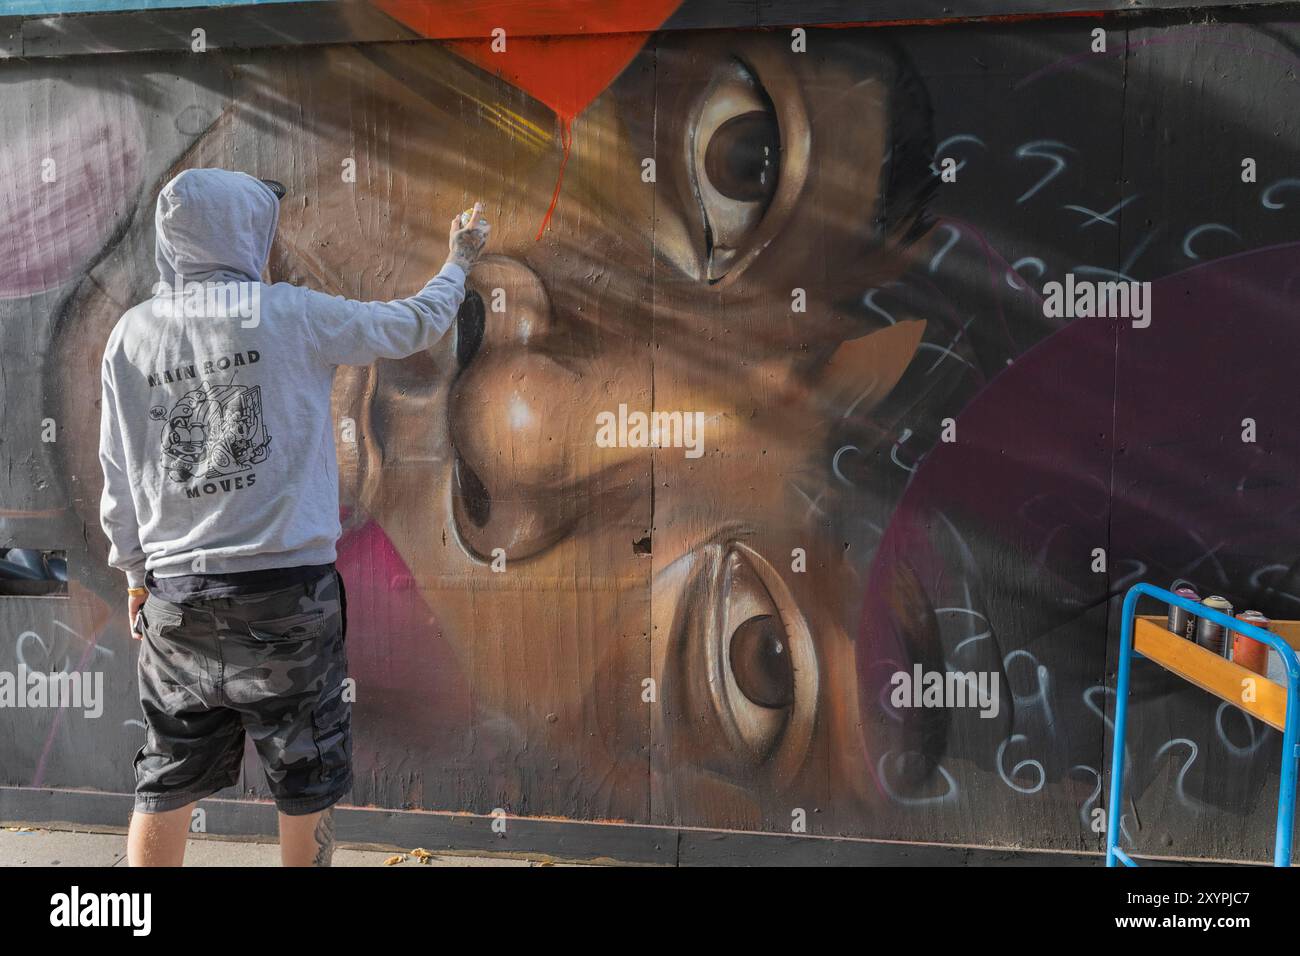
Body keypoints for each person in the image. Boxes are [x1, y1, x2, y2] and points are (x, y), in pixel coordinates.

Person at [97, 167, 489, 866]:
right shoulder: (290, 313)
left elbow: (118, 475)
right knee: (304, 779)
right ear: (244, 232)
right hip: (286, 597)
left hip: (174, 597)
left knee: (165, 775)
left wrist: (134, 576)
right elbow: (412, 325)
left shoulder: (131, 336)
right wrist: (458, 262)